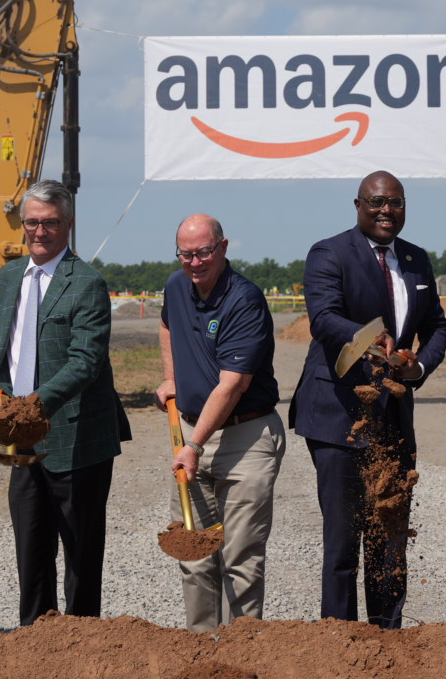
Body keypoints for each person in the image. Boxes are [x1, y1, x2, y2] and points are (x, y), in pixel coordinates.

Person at [288, 170, 446, 628]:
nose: (386, 210)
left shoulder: (417, 260)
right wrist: (371, 339)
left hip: (394, 418)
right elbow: (324, 318)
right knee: (343, 543)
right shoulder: (330, 253)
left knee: (388, 539)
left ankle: (388, 641)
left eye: (396, 203)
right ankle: (338, 645)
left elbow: (437, 326)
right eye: (377, 202)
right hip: (339, 418)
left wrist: (417, 365)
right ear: (357, 204)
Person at [0, 179, 132, 626]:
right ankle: (35, 639)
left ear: (68, 224)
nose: (39, 232)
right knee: (31, 545)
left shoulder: (86, 283)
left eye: (49, 223)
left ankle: (82, 642)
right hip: (23, 439)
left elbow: (86, 361)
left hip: (77, 436)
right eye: (32, 222)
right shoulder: (10, 277)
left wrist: (31, 405)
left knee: (81, 554)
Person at [155, 214, 286, 631]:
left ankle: (240, 654)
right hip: (194, 433)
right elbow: (165, 323)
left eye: (204, 252)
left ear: (224, 247)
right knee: (195, 556)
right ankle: (200, 651)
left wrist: (193, 446)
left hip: (245, 437)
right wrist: (171, 375)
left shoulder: (244, 299)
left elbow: (231, 387)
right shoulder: (177, 286)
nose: (195, 262)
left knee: (239, 558)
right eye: (186, 254)